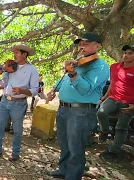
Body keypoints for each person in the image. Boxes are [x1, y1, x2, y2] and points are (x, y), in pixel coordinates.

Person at [47, 32, 109, 180]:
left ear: (97, 46)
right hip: (63, 108)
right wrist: (54, 89)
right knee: (64, 142)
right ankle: (63, 170)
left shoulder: (100, 66)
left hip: (81, 111)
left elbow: (85, 89)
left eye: (86, 44)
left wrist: (73, 73)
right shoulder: (79, 62)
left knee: (76, 147)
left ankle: (72, 176)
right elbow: (64, 81)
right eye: (81, 44)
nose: (82, 46)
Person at [0, 44, 39, 162]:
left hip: (19, 104)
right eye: (14, 53)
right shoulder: (10, 67)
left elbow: (35, 90)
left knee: (17, 131)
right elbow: (3, 84)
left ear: (24, 54)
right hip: (5, 101)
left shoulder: (32, 69)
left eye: (17, 53)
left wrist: (22, 90)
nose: (14, 55)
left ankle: (15, 153)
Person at [97, 44, 134, 159]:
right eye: (125, 53)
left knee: (121, 127)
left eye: (130, 53)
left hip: (128, 103)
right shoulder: (114, 67)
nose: (126, 55)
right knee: (101, 112)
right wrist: (103, 98)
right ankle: (105, 130)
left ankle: (113, 151)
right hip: (113, 98)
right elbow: (112, 84)